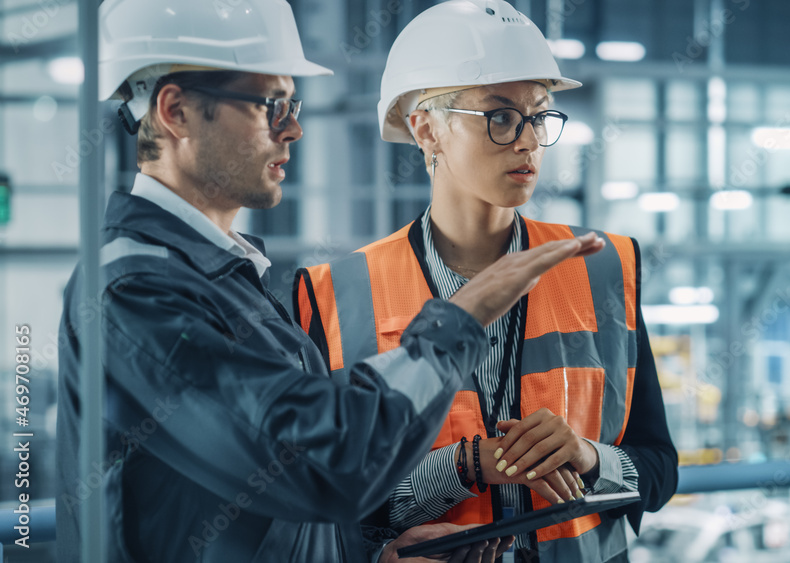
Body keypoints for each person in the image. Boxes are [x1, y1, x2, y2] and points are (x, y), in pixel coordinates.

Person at [56, 1, 601, 561]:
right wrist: (461, 319)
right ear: (177, 112)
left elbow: (277, 495)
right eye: (271, 105)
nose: (293, 128)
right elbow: (320, 464)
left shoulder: (228, 278)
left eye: (292, 105)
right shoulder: (135, 291)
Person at [294, 1, 679, 561]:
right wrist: (463, 468)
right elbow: (320, 505)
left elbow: (659, 471)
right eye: (500, 116)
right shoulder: (333, 296)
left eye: (539, 115)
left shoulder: (602, 267)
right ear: (427, 129)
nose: (528, 140)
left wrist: (591, 459)